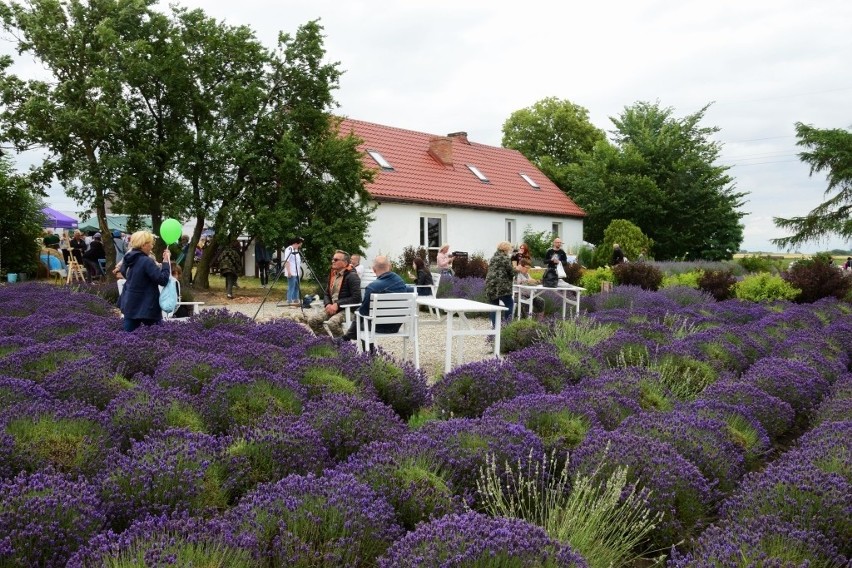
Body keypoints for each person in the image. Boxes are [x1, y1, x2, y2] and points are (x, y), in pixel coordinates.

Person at [341, 254, 407, 341]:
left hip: (378, 326)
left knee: (359, 314)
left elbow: (364, 312)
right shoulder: (400, 281)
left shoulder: (372, 288)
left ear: (373, 269)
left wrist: (358, 310)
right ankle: (348, 336)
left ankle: (350, 338)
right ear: (390, 267)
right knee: (361, 317)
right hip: (396, 325)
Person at [118, 231, 171, 332]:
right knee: (157, 336)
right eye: (150, 243)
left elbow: (126, 274)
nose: (152, 246)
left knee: (126, 337)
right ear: (143, 245)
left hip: (129, 303)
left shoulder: (127, 259)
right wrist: (165, 263)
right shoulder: (146, 261)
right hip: (147, 305)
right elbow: (162, 280)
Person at [302, 250, 361, 337]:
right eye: (333, 259)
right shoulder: (333, 274)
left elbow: (357, 298)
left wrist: (338, 304)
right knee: (313, 320)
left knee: (332, 323)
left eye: (336, 259)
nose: (333, 261)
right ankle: (328, 344)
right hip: (332, 308)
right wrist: (328, 304)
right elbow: (326, 294)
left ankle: (343, 347)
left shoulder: (352, 276)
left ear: (345, 263)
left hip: (348, 310)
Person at [485, 241, 515, 328]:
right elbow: (511, 272)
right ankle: (507, 325)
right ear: (506, 249)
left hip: (490, 285)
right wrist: (517, 269)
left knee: (494, 306)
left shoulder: (493, 257)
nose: (510, 251)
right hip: (502, 286)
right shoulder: (505, 258)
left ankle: (495, 328)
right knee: (509, 303)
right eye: (509, 249)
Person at [284, 237, 304, 306]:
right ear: (295, 243)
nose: (300, 246)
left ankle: (296, 299)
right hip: (291, 271)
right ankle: (289, 300)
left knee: (297, 286)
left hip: (297, 272)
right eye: (299, 244)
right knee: (291, 286)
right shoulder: (289, 249)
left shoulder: (296, 250)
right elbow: (287, 261)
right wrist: (289, 271)